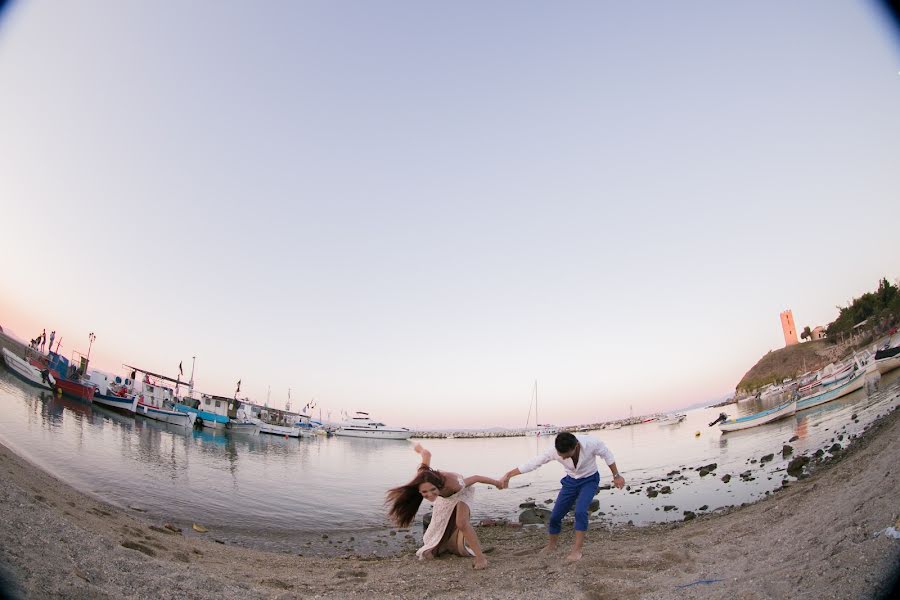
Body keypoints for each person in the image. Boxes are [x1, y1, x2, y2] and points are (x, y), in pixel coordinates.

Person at [501, 431, 625, 561]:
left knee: (580, 512)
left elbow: (607, 455)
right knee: (555, 516)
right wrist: (509, 474)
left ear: (576, 446)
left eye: (566, 456)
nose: (563, 458)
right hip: (570, 481)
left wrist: (616, 475)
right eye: (561, 456)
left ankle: (576, 551)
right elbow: (533, 463)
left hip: (590, 480)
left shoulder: (591, 443)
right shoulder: (554, 451)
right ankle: (551, 545)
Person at [386, 442, 504, 569]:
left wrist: (497, 483)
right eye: (424, 492)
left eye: (432, 490)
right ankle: (445, 545)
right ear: (419, 490)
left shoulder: (453, 484)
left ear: (438, 485)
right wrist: (418, 448)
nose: (430, 495)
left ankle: (481, 558)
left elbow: (476, 478)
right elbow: (426, 454)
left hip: (461, 493)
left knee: (461, 523)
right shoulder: (422, 475)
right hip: (443, 496)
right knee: (438, 525)